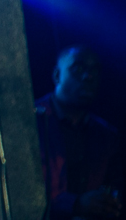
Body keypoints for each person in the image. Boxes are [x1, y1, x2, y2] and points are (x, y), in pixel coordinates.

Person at [36, 45, 123, 219]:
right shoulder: (30, 122)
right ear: (57, 75)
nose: (88, 76)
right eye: (78, 69)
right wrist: (76, 204)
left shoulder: (106, 136)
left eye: (94, 70)